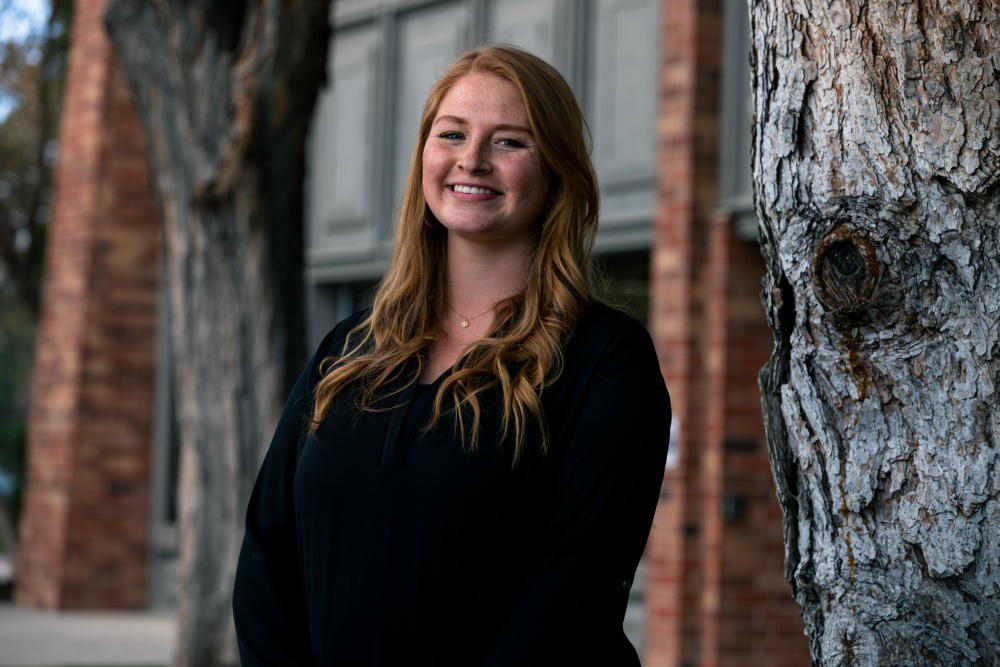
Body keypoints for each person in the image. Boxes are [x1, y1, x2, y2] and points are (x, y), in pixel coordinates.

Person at [233, 44, 671, 666]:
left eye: (509, 142)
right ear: (423, 158)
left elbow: (574, 591)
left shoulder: (606, 360)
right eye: (452, 134)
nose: (472, 159)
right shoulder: (350, 348)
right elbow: (267, 551)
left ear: (556, 171)